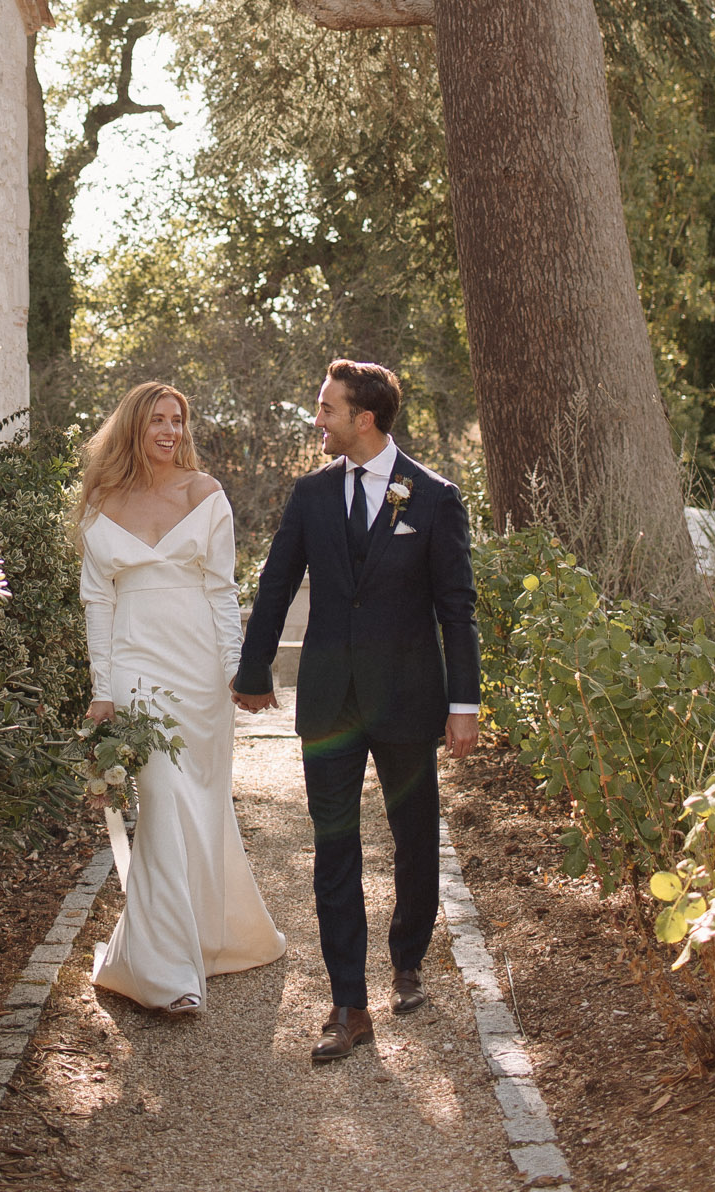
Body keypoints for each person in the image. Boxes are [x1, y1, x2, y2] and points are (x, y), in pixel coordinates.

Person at [232, 359, 480, 1064]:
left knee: (414, 838)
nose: (317, 419)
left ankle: (407, 959)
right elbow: (276, 582)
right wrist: (252, 670)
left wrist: (463, 703)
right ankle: (348, 1002)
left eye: (326, 408)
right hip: (330, 701)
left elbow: (455, 610)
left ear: (363, 418)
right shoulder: (310, 496)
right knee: (333, 849)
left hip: (407, 696)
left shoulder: (432, 497)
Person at [77, 380, 286, 1013]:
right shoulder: (103, 503)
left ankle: (216, 938)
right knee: (163, 803)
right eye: (158, 420)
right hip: (138, 668)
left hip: (201, 673)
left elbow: (223, 592)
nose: (171, 430)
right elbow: (98, 600)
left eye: (179, 420)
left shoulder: (206, 494)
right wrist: (102, 690)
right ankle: (164, 974)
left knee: (203, 806)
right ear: (134, 428)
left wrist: (237, 671)